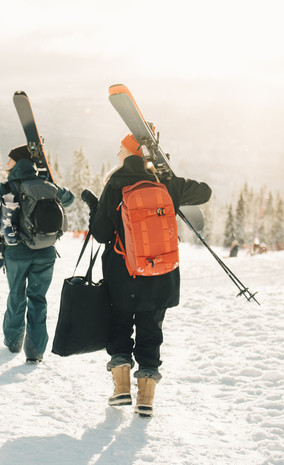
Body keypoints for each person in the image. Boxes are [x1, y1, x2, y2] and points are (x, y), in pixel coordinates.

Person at [84, 134, 211, 416]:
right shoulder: (165, 183)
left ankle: (120, 390)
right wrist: (169, 175)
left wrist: (94, 206)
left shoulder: (115, 184)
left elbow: (102, 233)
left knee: (119, 327)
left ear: (129, 153)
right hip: (159, 275)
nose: (117, 153)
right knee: (151, 332)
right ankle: (146, 400)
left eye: (120, 149)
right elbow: (205, 192)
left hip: (122, 274)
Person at [0, 146, 74, 363]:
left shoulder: (7, 187)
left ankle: (13, 341)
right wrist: (50, 184)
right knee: (38, 298)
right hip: (45, 252)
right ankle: (35, 352)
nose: (7, 164)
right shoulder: (46, 185)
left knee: (16, 295)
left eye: (10, 160)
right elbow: (69, 199)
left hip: (16, 252)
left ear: (17, 163)